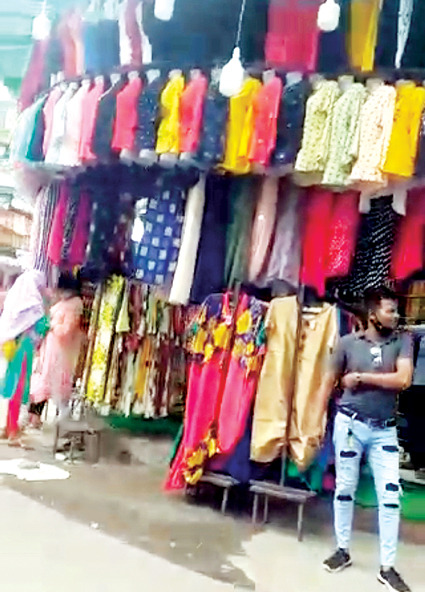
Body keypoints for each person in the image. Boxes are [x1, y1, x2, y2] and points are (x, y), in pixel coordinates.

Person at [320, 287, 413, 592]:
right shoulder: (348, 343)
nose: (395, 315)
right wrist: (316, 421)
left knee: (390, 495)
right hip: (350, 425)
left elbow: (403, 379)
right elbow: (328, 382)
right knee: (345, 488)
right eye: (390, 310)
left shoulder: (403, 341)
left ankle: (387, 568)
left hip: (384, 429)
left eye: (396, 310)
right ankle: (342, 550)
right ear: (373, 314)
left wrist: (360, 378)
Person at [0, 270, 49, 444]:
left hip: (14, 348)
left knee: (14, 388)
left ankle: (9, 426)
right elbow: (43, 326)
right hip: (25, 349)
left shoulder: (15, 301)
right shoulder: (34, 306)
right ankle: (12, 430)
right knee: (18, 389)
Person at [30, 272, 83, 422]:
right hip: (51, 349)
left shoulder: (74, 305)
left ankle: (49, 418)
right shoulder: (64, 302)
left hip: (60, 351)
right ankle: (35, 417)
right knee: (42, 382)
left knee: (51, 383)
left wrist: (52, 325)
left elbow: (67, 329)